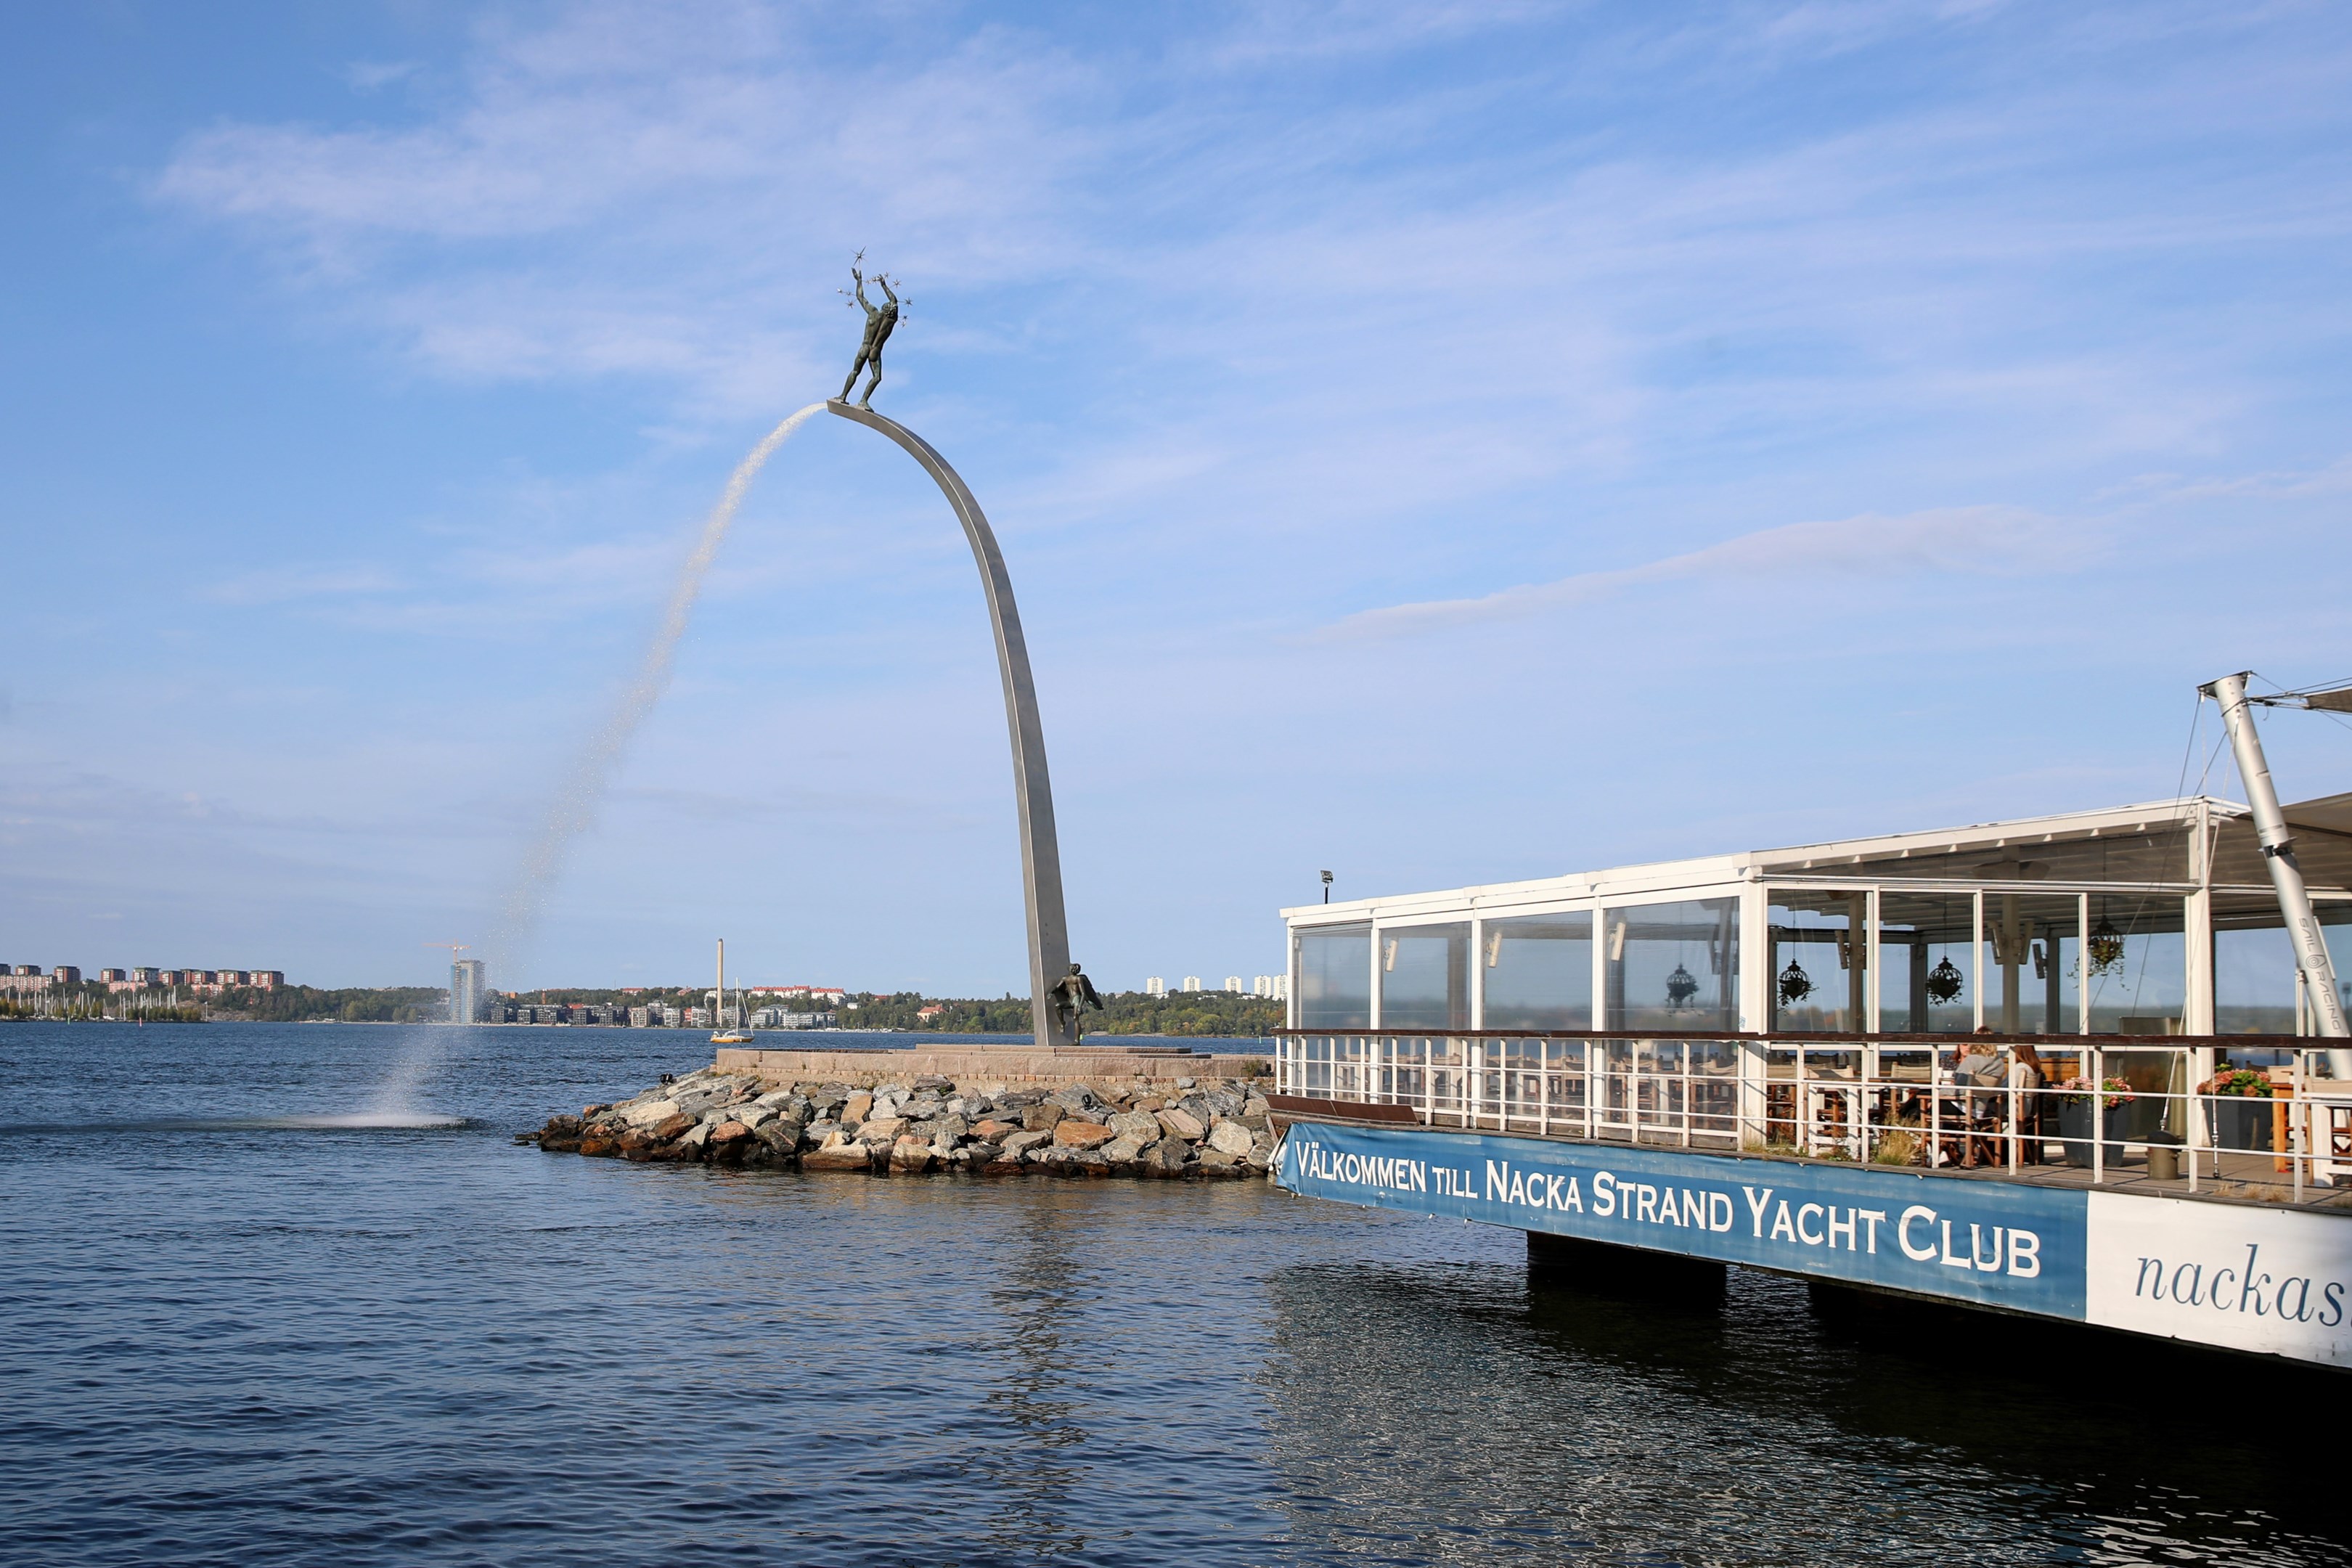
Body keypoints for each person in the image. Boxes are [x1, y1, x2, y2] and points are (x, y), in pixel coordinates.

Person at [838, 265, 900, 407]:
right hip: (875, 351)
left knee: (855, 371)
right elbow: (894, 301)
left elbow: (860, 297)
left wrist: (859, 280)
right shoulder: (891, 321)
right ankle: (863, 400)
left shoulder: (873, 313)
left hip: (865, 347)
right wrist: (884, 286)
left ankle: (843, 396)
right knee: (877, 377)